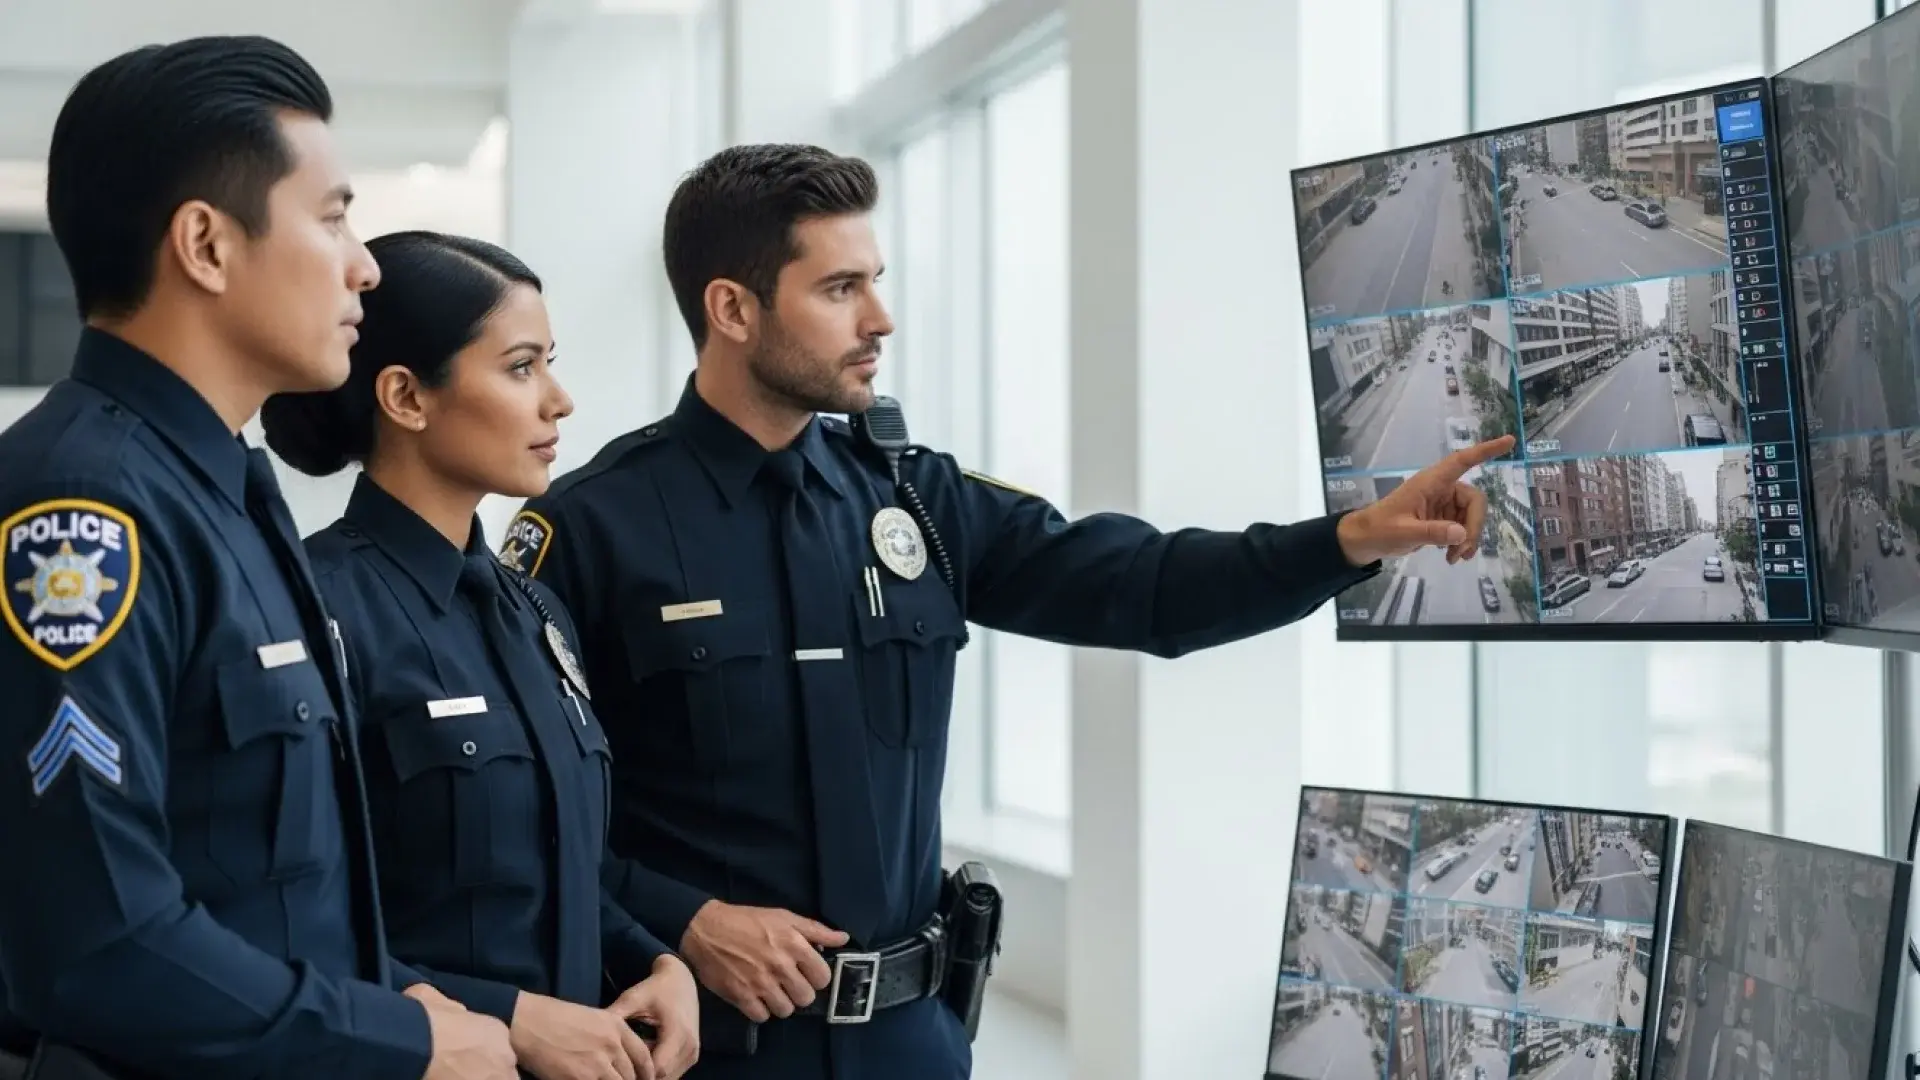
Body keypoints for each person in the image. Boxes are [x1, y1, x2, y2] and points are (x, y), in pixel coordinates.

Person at [497, 143, 1514, 1079]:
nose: (880, 320)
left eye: (876, 283)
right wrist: (687, 920)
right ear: (732, 308)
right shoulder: (589, 531)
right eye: (841, 288)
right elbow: (516, 825)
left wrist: (1346, 541)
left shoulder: (914, 501)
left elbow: (1142, 585)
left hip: (915, 1047)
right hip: (705, 1053)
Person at [0, 37, 517, 1080]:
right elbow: (100, 943)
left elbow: (260, 876)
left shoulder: (230, 492)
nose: (365, 262)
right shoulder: (87, 510)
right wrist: (398, 1041)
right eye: (331, 217)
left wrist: (388, 992)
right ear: (206, 244)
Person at [260, 231, 703, 1080]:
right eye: (521, 367)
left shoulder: (535, 610)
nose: (559, 401)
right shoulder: (311, 613)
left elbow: (555, 869)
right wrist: (511, 1019)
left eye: (551, 363)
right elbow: (279, 923)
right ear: (406, 397)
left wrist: (657, 960)